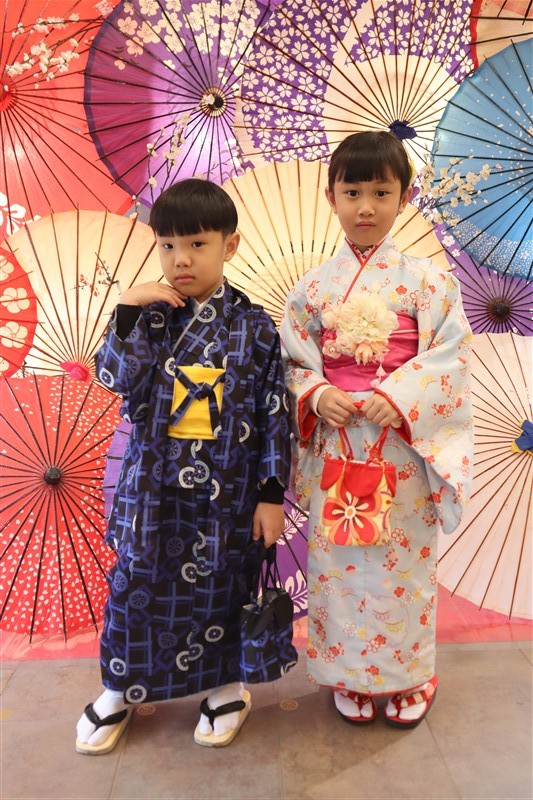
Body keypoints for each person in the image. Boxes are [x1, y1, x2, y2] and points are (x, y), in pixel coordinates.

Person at [76, 178, 290, 754]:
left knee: (225, 584)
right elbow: (113, 377)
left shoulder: (255, 326)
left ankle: (226, 686)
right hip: (154, 485)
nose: (181, 259)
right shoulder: (149, 316)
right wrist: (126, 309)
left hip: (228, 487)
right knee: (135, 583)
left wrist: (271, 493)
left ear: (230, 245)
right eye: (168, 245)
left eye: (197, 244)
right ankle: (121, 685)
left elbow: (273, 411)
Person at [280, 131, 473, 727]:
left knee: (403, 565)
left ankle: (411, 675)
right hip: (338, 444)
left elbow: (451, 357)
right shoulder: (312, 287)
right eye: (352, 192)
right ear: (331, 197)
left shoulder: (429, 281)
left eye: (382, 193)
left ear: (404, 196)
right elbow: (290, 361)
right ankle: (349, 676)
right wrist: (317, 393)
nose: (366, 206)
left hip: (402, 450)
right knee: (336, 565)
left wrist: (401, 395)